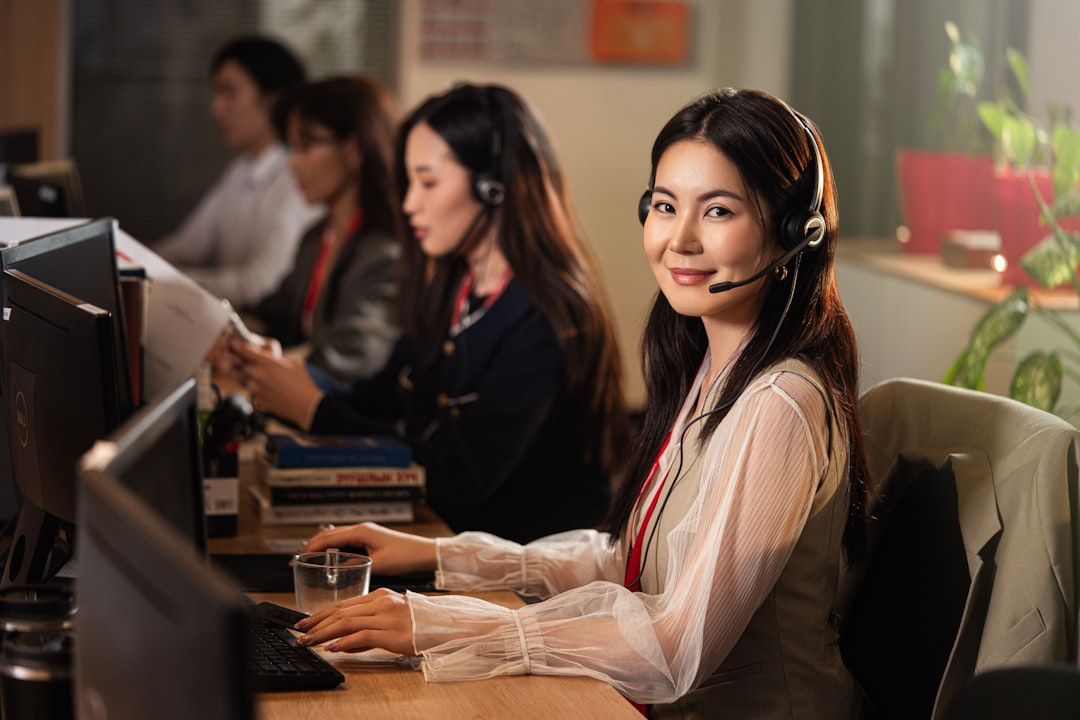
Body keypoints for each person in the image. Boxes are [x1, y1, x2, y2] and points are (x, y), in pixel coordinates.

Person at [289, 88, 873, 718]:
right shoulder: (709, 367)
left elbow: (675, 648)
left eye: (719, 211)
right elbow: (627, 562)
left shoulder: (780, 402)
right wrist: (439, 554)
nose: (678, 239)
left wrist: (446, 624)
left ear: (794, 231)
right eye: (665, 205)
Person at [232, 83, 629, 543]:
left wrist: (316, 410)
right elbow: (381, 397)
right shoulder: (453, 286)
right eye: (409, 182)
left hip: (521, 577)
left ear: (492, 186)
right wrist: (290, 380)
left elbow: (459, 479)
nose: (408, 204)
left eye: (429, 182)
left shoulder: (547, 319)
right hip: (449, 543)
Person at [248, 75, 401, 390]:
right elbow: (276, 314)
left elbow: (353, 355)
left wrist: (266, 368)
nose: (293, 164)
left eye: (305, 146)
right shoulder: (318, 236)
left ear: (355, 149)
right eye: (291, 147)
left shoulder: (385, 247)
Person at [155, 35, 320, 309]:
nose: (217, 108)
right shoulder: (241, 170)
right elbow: (188, 246)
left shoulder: (299, 179)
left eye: (229, 93)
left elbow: (260, 286)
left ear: (273, 100)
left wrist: (160, 279)